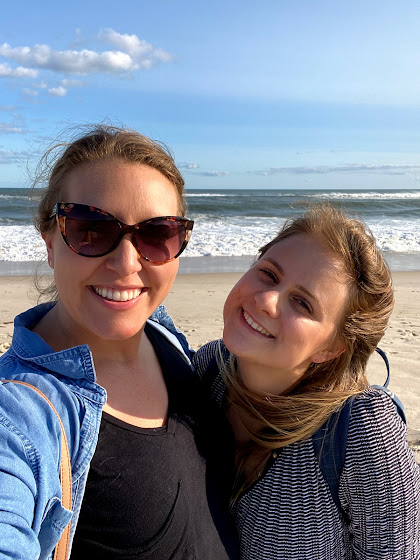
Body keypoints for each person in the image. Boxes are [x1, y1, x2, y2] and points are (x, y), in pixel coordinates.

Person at [0, 125, 239, 560]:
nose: (127, 263)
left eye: (157, 234)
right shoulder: (17, 416)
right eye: (91, 229)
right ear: (50, 241)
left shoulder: (164, 338)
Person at [191, 205, 420, 559]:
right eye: (268, 274)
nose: (267, 301)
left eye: (302, 303)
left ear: (332, 348)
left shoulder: (362, 430)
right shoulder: (209, 369)